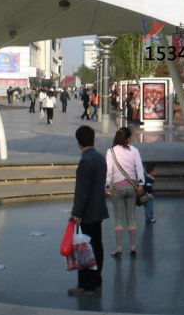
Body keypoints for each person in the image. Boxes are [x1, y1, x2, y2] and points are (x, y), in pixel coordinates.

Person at [68, 125, 108, 296]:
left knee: (85, 248)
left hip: (88, 212)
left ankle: (86, 284)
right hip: (98, 209)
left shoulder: (85, 161)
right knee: (97, 246)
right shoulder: (100, 157)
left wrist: (77, 213)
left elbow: (82, 191)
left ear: (78, 142)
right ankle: (97, 280)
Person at [105, 127, 145, 256]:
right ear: (128, 138)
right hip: (132, 187)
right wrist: (141, 184)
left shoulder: (111, 152)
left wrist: (106, 186)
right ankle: (133, 246)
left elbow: (108, 171)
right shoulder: (134, 151)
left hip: (118, 187)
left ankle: (118, 247)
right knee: (131, 217)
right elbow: (139, 168)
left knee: (118, 218)